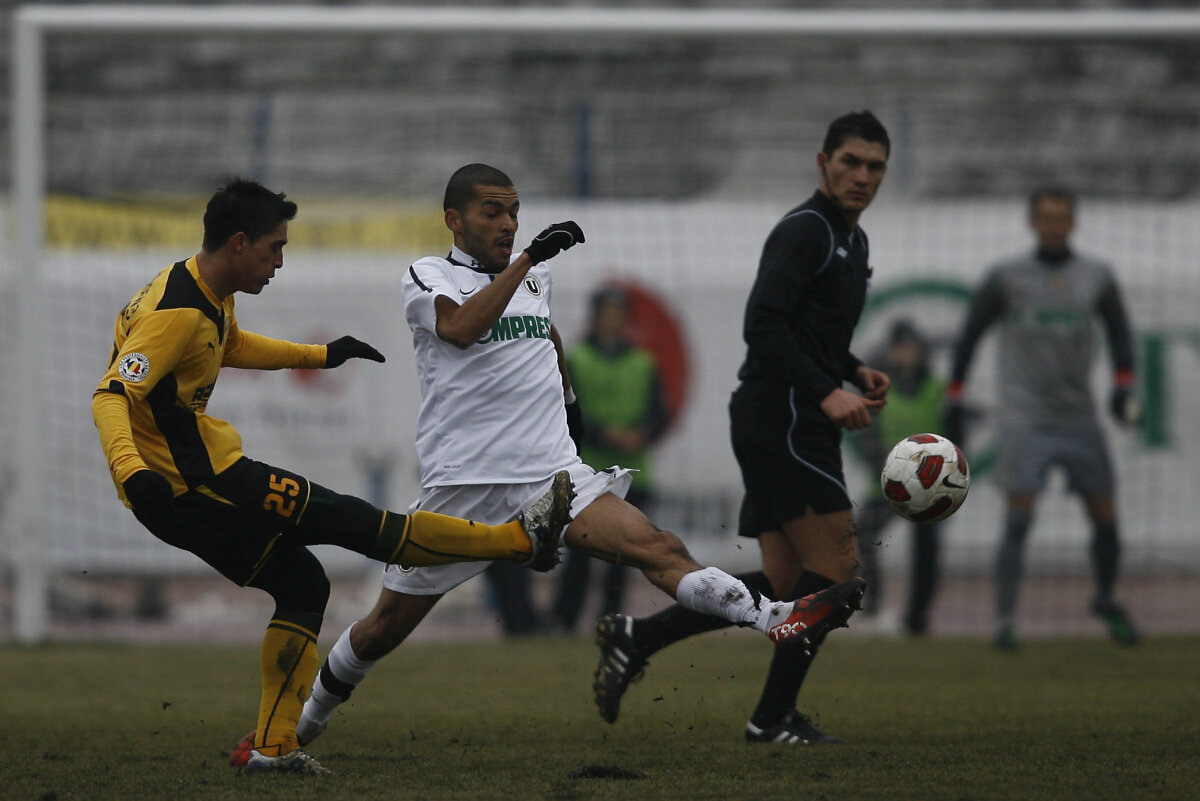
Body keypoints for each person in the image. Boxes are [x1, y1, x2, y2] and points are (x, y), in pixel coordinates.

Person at [249, 163, 863, 759]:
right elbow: (462, 329)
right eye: (493, 210)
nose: (508, 222)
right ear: (453, 219)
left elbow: (544, 336)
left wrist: (569, 400)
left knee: (657, 546)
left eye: (515, 211)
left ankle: (776, 617)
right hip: (464, 488)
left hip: (551, 476)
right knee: (385, 626)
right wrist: (526, 262)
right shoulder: (427, 274)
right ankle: (302, 725)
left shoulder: (533, 279)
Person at [93, 178, 574, 776]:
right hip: (197, 484)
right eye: (274, 248)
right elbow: (112, 394)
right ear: (240, 243)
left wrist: (319, 355)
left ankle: (273, 750)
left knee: (302, 585)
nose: (280, 261)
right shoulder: (179, 310)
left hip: (186, 491)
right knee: (360, 523)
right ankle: (521, 541)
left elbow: (230, 345)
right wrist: (132, 469)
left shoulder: (198, 286)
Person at [591, 110, 891, 744]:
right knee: (837, 571)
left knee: (787, 586)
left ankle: (639, 637)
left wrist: (853, 369)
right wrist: (825, 391)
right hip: (783, 414)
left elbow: (809, 335)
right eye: (851, 162)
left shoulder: (852, 241)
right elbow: (764, 326)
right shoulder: (806, 230)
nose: (862, 176)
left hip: (785, 412)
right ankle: (772, 718)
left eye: (875, 167)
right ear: (823, 164)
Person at [945, 186, 1141, 650]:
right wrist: (955, 393)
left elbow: (1121, 334)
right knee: (1018, 519)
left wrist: (1124, 384)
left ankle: (1106, 599)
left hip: (1079, 418)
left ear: (1074, 222)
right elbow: (970, 334)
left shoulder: (1096, 276)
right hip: (1025, 418)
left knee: (1106, 518)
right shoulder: (1007, 277)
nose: (1054, 224)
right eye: (1046, 217)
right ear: (1033, 222)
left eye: (1062, 217)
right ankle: (1004, 620)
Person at [551, 284, 670, 633]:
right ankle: (566, 620)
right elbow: (567, 407)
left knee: (624, 554)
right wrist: (604, 433)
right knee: (581, 551)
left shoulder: (644, 362)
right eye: (607, 313)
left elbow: (660, 411)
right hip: (588, 470)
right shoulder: (576, 358)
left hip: (634, 472)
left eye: (619, 314)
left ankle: (612, 620)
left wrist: (642, 433)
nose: (613, 320)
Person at [851, 319, 946, 636]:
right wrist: (886, 468)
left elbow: (951, 439)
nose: (906, 354)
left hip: (929, 486)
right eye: (900, 348)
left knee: (926, 547)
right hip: (887, 484)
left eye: (911, 348)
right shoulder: (879, 389)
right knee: (862, 536)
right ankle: (873, 606)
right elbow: (866, 436)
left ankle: (917, 616)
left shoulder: (936, 388)